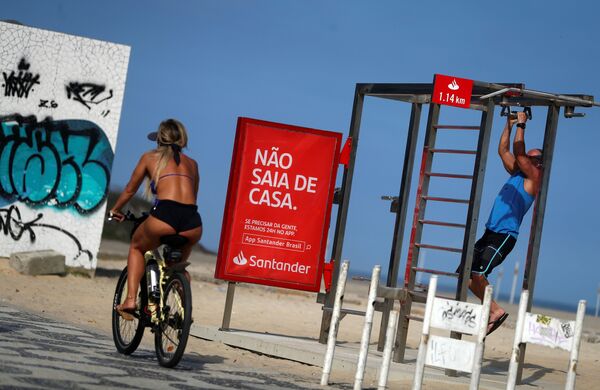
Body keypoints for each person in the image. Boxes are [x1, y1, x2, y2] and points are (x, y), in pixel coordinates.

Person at [110, 118, 202, 319]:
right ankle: (185, 310)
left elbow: (129, 190)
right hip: (192, 221)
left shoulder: (149, 157)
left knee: (136, 247)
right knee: (175, 266)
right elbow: (191, 198)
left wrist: (114, 210)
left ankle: (130, 300)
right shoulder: (193, 164)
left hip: (165, 215)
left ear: (159, 139)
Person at [467, 111, 542, 335]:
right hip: (490, 231)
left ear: (539, 163)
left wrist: (522, 124)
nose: (527, 160)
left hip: (505, 235)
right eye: (528, 157)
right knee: (467, 277)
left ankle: (496, 311)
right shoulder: (517, 172)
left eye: (532, 158)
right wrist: (508, 125)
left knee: (479, 274)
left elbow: (519, 153)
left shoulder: (534, 178)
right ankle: (493, 310)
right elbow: (503, 150)